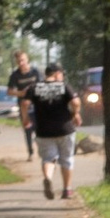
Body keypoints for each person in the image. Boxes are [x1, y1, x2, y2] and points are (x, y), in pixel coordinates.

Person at [28, 63, 85, 197]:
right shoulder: (63, 86)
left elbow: (25, 103)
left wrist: (25, 118)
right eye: (61, 74)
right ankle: (67, 189)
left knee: (48, 158)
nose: (62, 76)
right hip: (65, 129)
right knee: (67, 159)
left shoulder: (35, 87)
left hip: (43, 130)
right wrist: (76, 113)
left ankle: (48, 177)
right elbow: (76, 102)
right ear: (56, 74)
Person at [7, 49, 39, 164]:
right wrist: (21, 93)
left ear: (27, 59)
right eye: (18, 61)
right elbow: (9, 91)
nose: (21, 63)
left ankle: (41, 149)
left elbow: (41, 85)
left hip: (37, 105)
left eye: (22, 60)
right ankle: (30, 152)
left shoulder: (35, 72)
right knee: (27, 129)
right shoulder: (15, 75)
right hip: (23, 106)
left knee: (39, 128)